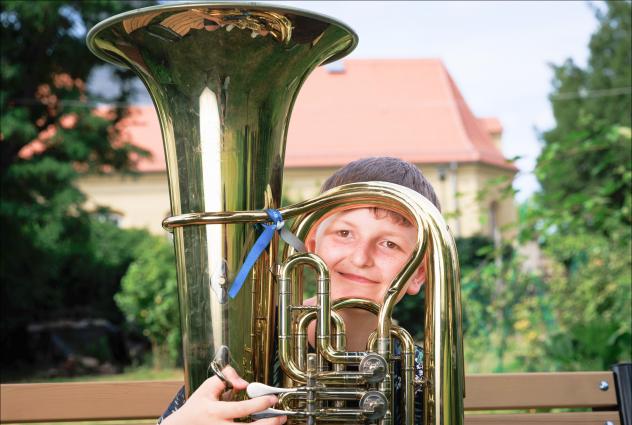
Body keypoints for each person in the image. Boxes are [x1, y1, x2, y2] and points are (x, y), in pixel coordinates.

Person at [160, 157, 441, 425]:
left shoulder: (418, 372)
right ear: (313, 245)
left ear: (417, 274)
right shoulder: (248, 342)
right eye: (344, 234)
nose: (360, 258)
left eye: (390, 244)